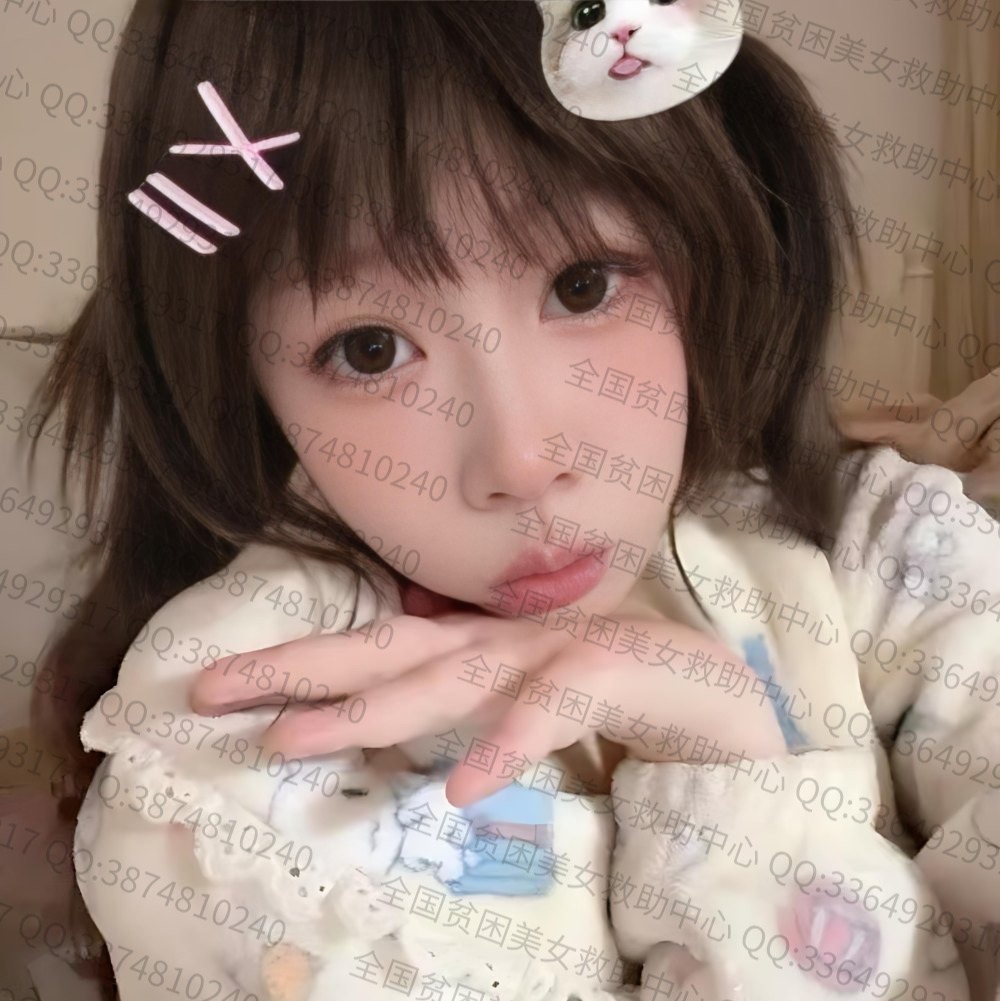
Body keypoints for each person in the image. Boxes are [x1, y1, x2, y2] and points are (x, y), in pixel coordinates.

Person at [25, 2, 1000, 1000]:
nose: (523, 460)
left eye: (583, 285)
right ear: (243, 387)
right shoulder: (235, 742)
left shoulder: (877, 546)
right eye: (370, 349)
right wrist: (729, 773)